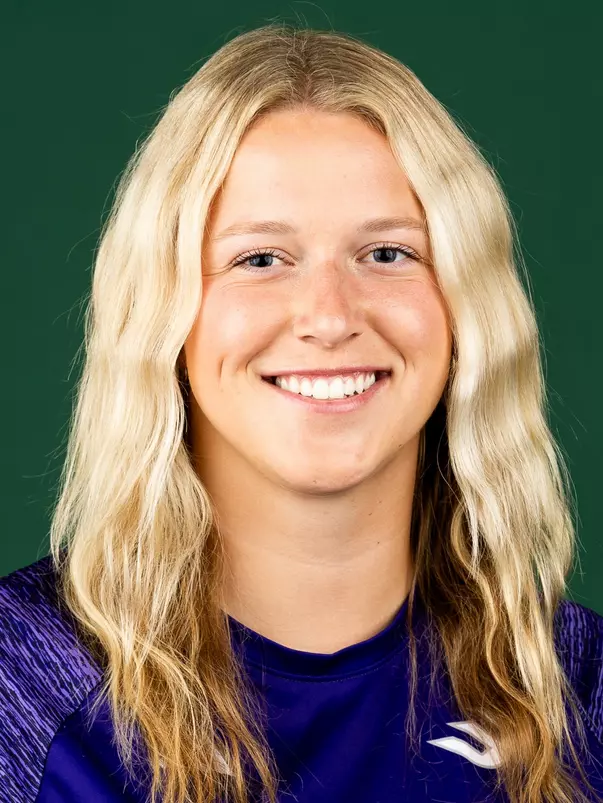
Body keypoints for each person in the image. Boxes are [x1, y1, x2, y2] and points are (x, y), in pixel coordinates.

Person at [0, 21, 602, 803]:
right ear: (163, 315)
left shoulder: (576, 692)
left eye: (387, 253)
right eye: (259, 259)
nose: (327, 315)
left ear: (464, 311)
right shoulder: (24, 683)